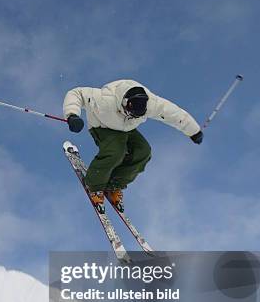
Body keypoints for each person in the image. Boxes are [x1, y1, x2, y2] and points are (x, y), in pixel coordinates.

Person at [63, 79, 203, 211]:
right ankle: (94, 185)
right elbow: (77, 93)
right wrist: (72, 115)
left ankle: (114, 185)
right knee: (115, 152)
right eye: (129, 113)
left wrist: (193, 131)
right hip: (103, 126)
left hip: (127, 129)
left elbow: (175, 114)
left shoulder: (152, 104)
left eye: (135, 116)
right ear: (125, 102)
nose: (131, 116)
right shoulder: (105, 99)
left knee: (143, 151)